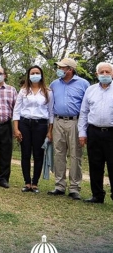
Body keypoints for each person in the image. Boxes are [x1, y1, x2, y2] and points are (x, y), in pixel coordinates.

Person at [47, 57, 89, 200]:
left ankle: (74, 188)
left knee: (75, 154)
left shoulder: (83, 84)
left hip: (75, 122)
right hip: (58, 121)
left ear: (70, 69)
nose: (59, 70)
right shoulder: (54, 84)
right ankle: (59, 185)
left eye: (62, 68)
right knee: (59, 154)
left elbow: (87, 107)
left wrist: (84, 128)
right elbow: (50, 105)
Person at [12, 66, 53, 193]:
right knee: (25, 153)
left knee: (38, 154)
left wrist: (50, 131)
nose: (35, 75)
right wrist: (16, 129)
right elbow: (17, 110)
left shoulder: (48, 92)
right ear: (28, 76)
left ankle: (35, 183)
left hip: (40, 125)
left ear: (41, 75)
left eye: (37, 73)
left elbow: (51, 112)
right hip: (25, 123)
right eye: (32, 73)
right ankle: (27, 182)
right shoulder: (24, 91)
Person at [78, 62, 113, 204]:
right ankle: (97, 195)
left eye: (108, 72)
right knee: (95, 164)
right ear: (96, 74)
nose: (105, 74)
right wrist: (82, 133)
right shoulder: (90, 90)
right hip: (94, 132)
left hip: (111, 133)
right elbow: (84, 112)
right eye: (102, 72)